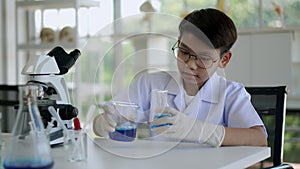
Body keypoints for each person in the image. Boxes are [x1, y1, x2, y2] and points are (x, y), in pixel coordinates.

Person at [93, 8, 267, 147]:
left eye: (203, 58)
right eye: (184, 52)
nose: (190, 64)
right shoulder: (151, 84)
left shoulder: (230, 93)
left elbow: (259, 138)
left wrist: (200, 131)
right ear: (179, 42)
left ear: (224, 59)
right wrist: (103, 124)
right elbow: (109, 117)